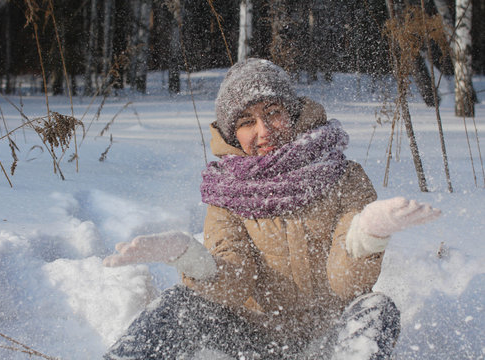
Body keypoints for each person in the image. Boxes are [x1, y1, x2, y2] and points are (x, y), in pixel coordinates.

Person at [103, 59, 441, 360]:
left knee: (377, 309)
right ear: (234, 134)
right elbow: (235, 282)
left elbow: (346, 285)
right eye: (247, 121)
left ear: (291, 113)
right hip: (255, 339)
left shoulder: (342, 175)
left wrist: (366, 234)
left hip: (329, 339)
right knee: (181, 302)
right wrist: (187, 255)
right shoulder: (226, 193)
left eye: (273, 113)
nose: (263, 131)